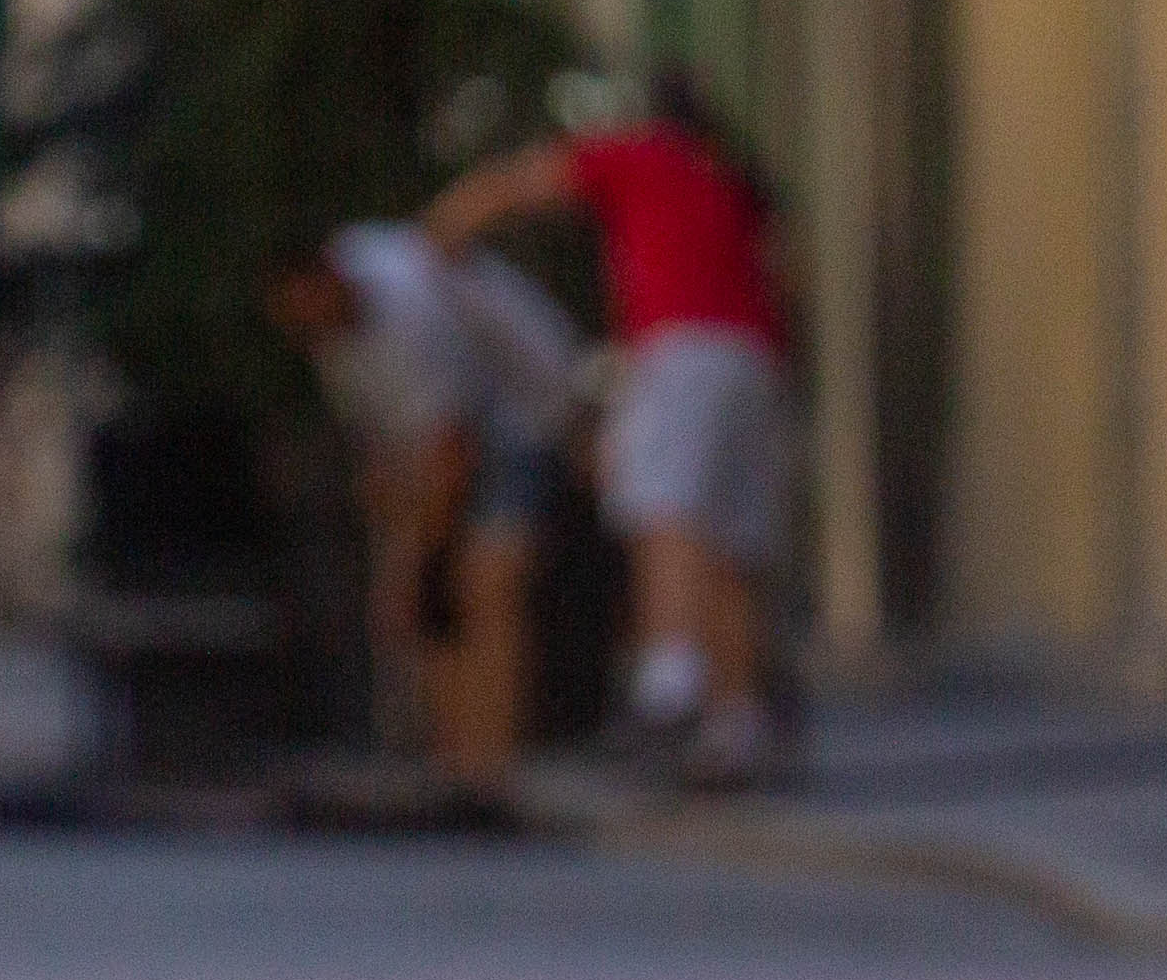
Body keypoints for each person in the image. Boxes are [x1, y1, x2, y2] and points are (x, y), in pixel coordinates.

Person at [428, 76, 793, 788]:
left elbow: (525, 184)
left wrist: (447, 224)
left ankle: (669, 687)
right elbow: (785, 276)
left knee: (666, 512)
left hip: (678, 349)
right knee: (729, 550)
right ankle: (734, 724)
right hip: (754, 360)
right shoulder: (729, 180)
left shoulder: (640, 154)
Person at [272, 221, 587, 808]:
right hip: (450, 440)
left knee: (483, 583)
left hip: (523, 416)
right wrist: (399, 550)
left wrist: (419, 560)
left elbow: (453, 449)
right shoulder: (332, 333)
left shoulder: (408, 312)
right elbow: (382, 448)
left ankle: (489, 771)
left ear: (329, 279)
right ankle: (453, 765)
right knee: (430, 599)